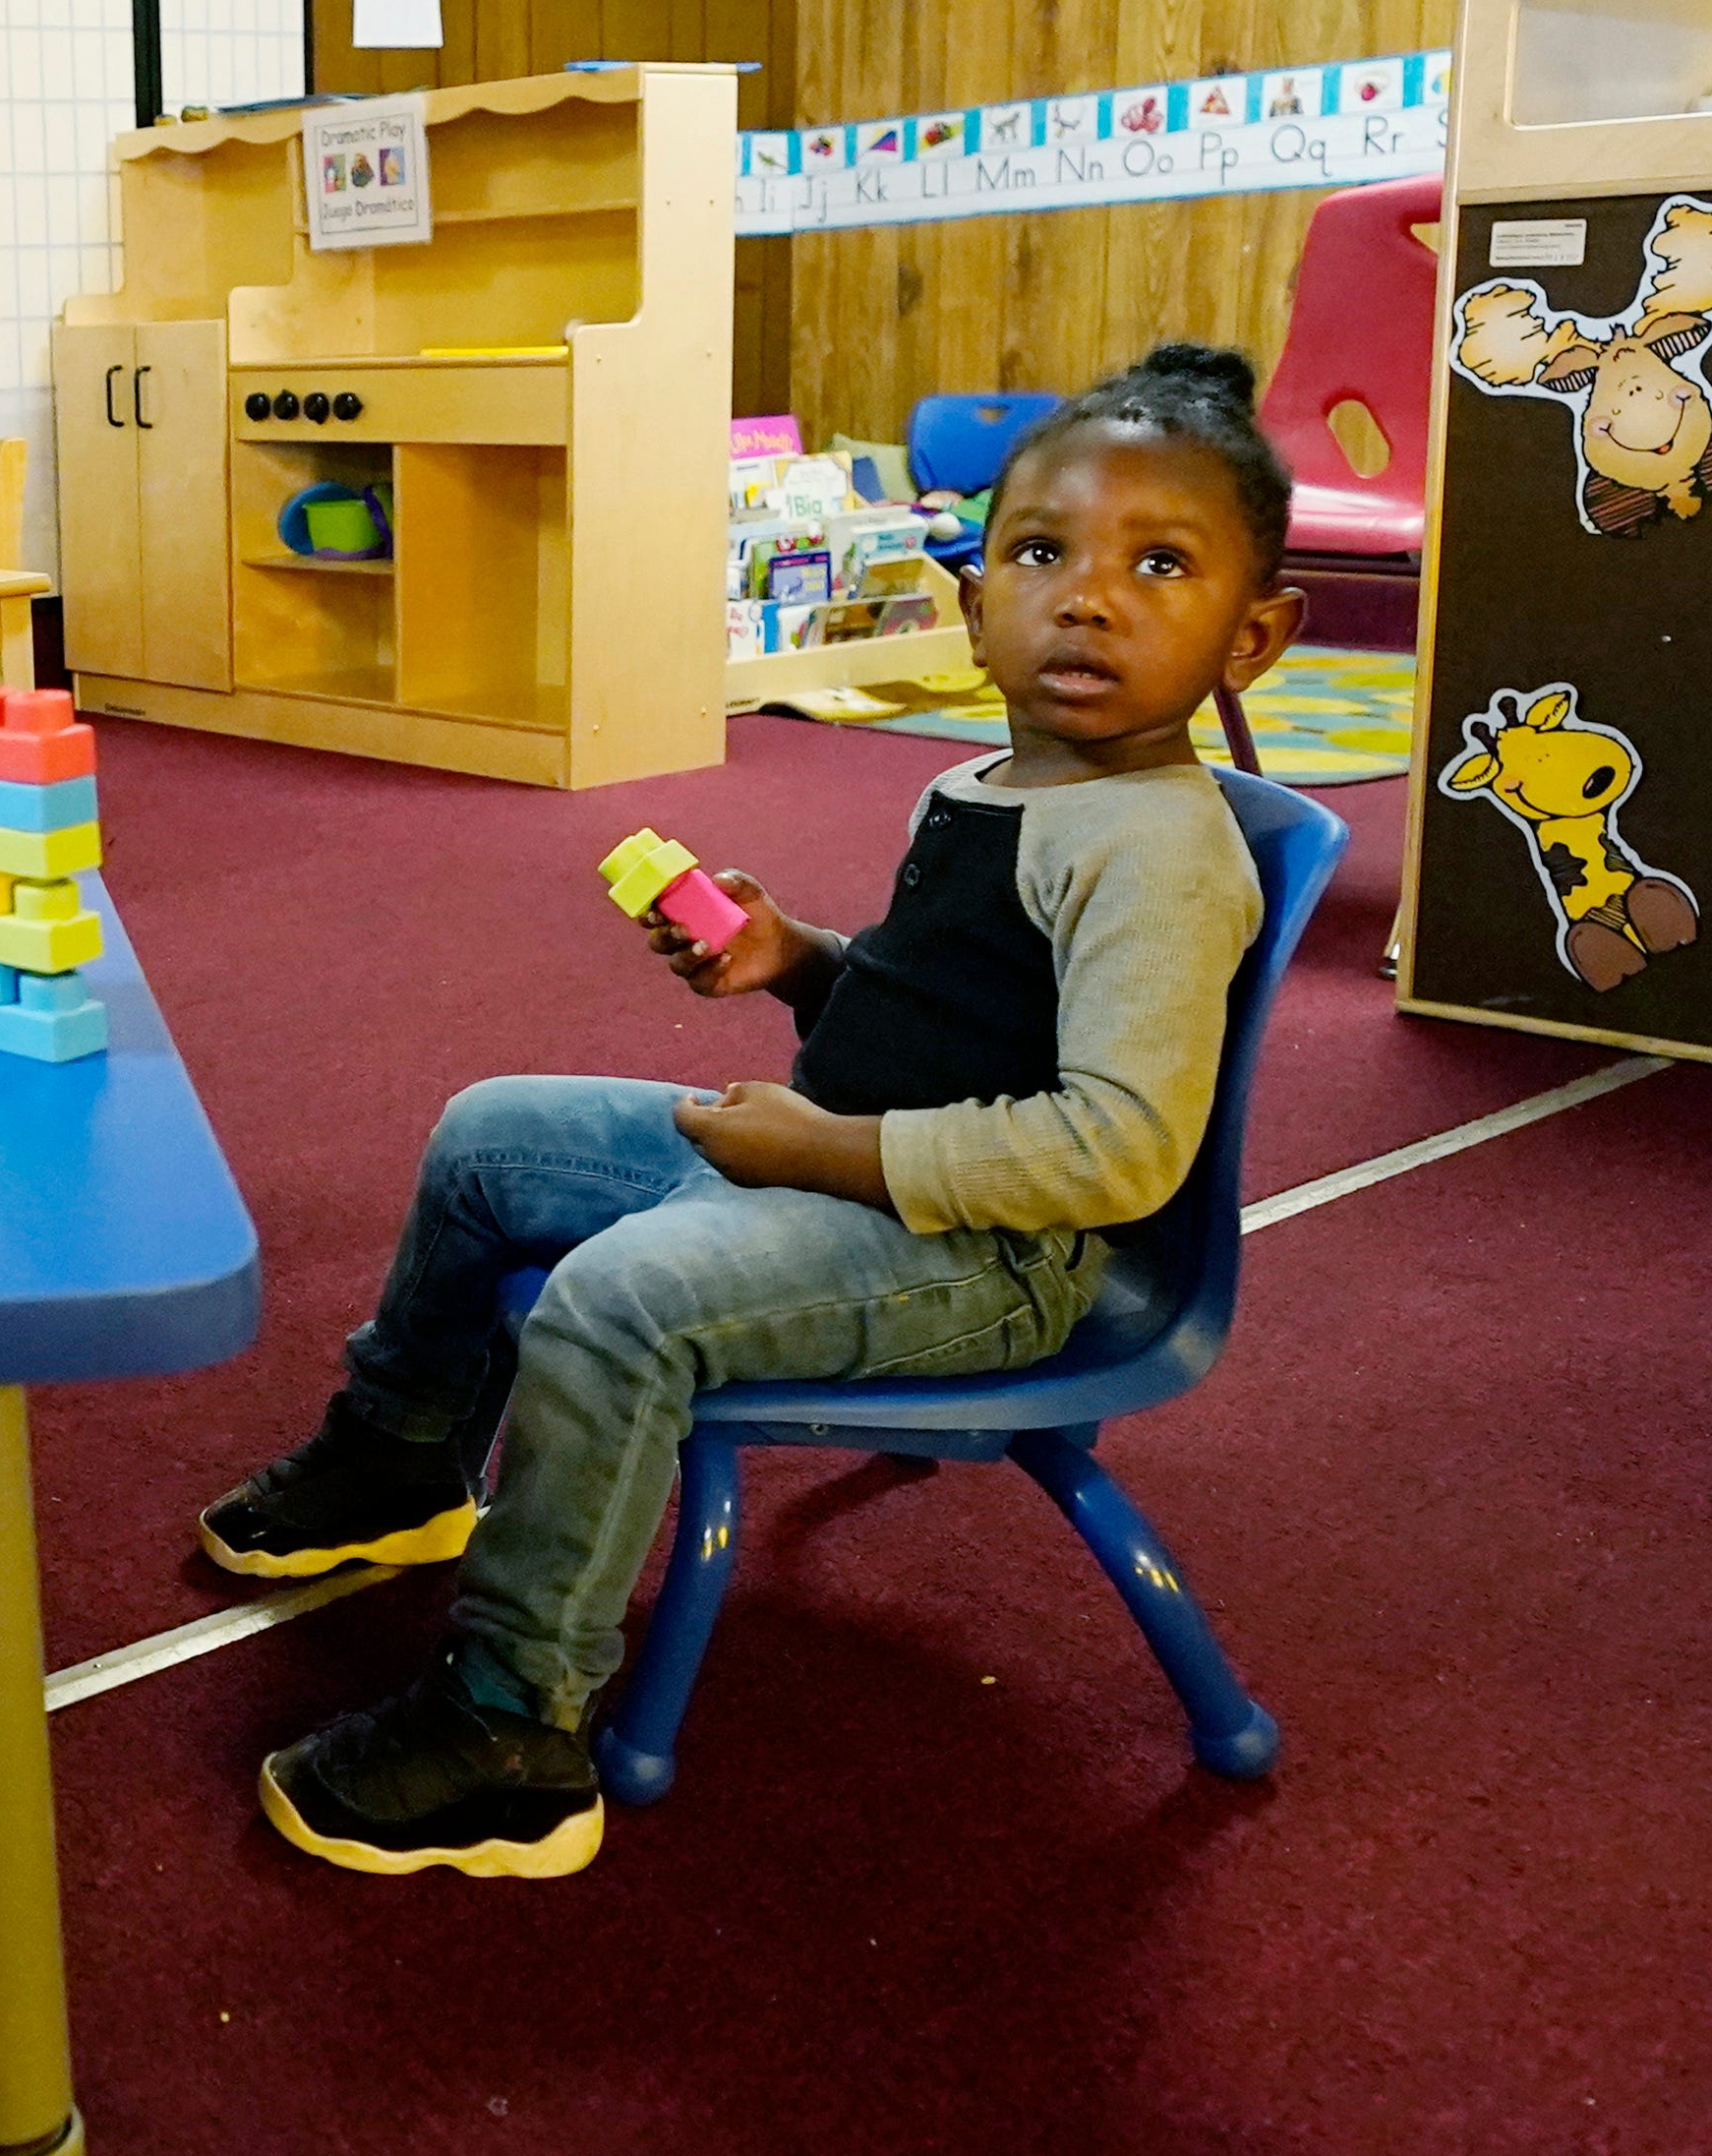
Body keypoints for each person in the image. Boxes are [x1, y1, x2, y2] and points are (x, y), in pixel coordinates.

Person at [191, 343, 1305, 1880]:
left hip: (996, 1258)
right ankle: (398, 1457)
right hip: (841, 1169)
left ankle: (514, 1722)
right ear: (972, 601)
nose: (1088, 597)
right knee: (488, 1132)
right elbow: (944, 1015)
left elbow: (1117, 1149)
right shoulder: (992, 781)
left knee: (615, 1302)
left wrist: (823, 1149)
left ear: (1255, 636)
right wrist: (803, 963)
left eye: (1159, 565)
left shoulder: (1158, 851)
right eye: (1040, 552)